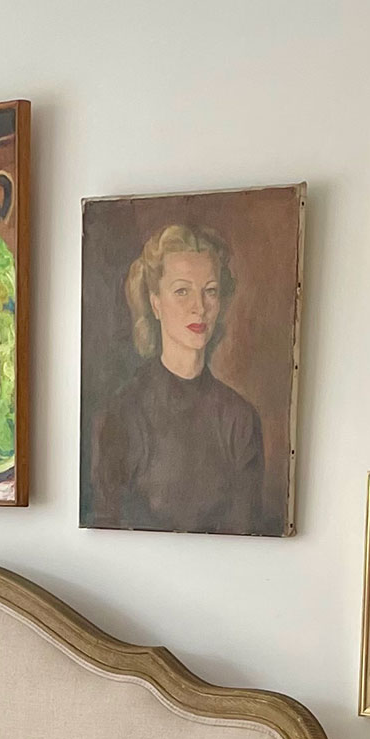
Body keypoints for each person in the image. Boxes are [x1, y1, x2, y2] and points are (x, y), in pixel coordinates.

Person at [88, 223, 265, 534]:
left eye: (209, 291)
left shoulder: (239, 419)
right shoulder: (121, 416)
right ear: (156, 302)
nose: (199, 307)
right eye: (182, 291)